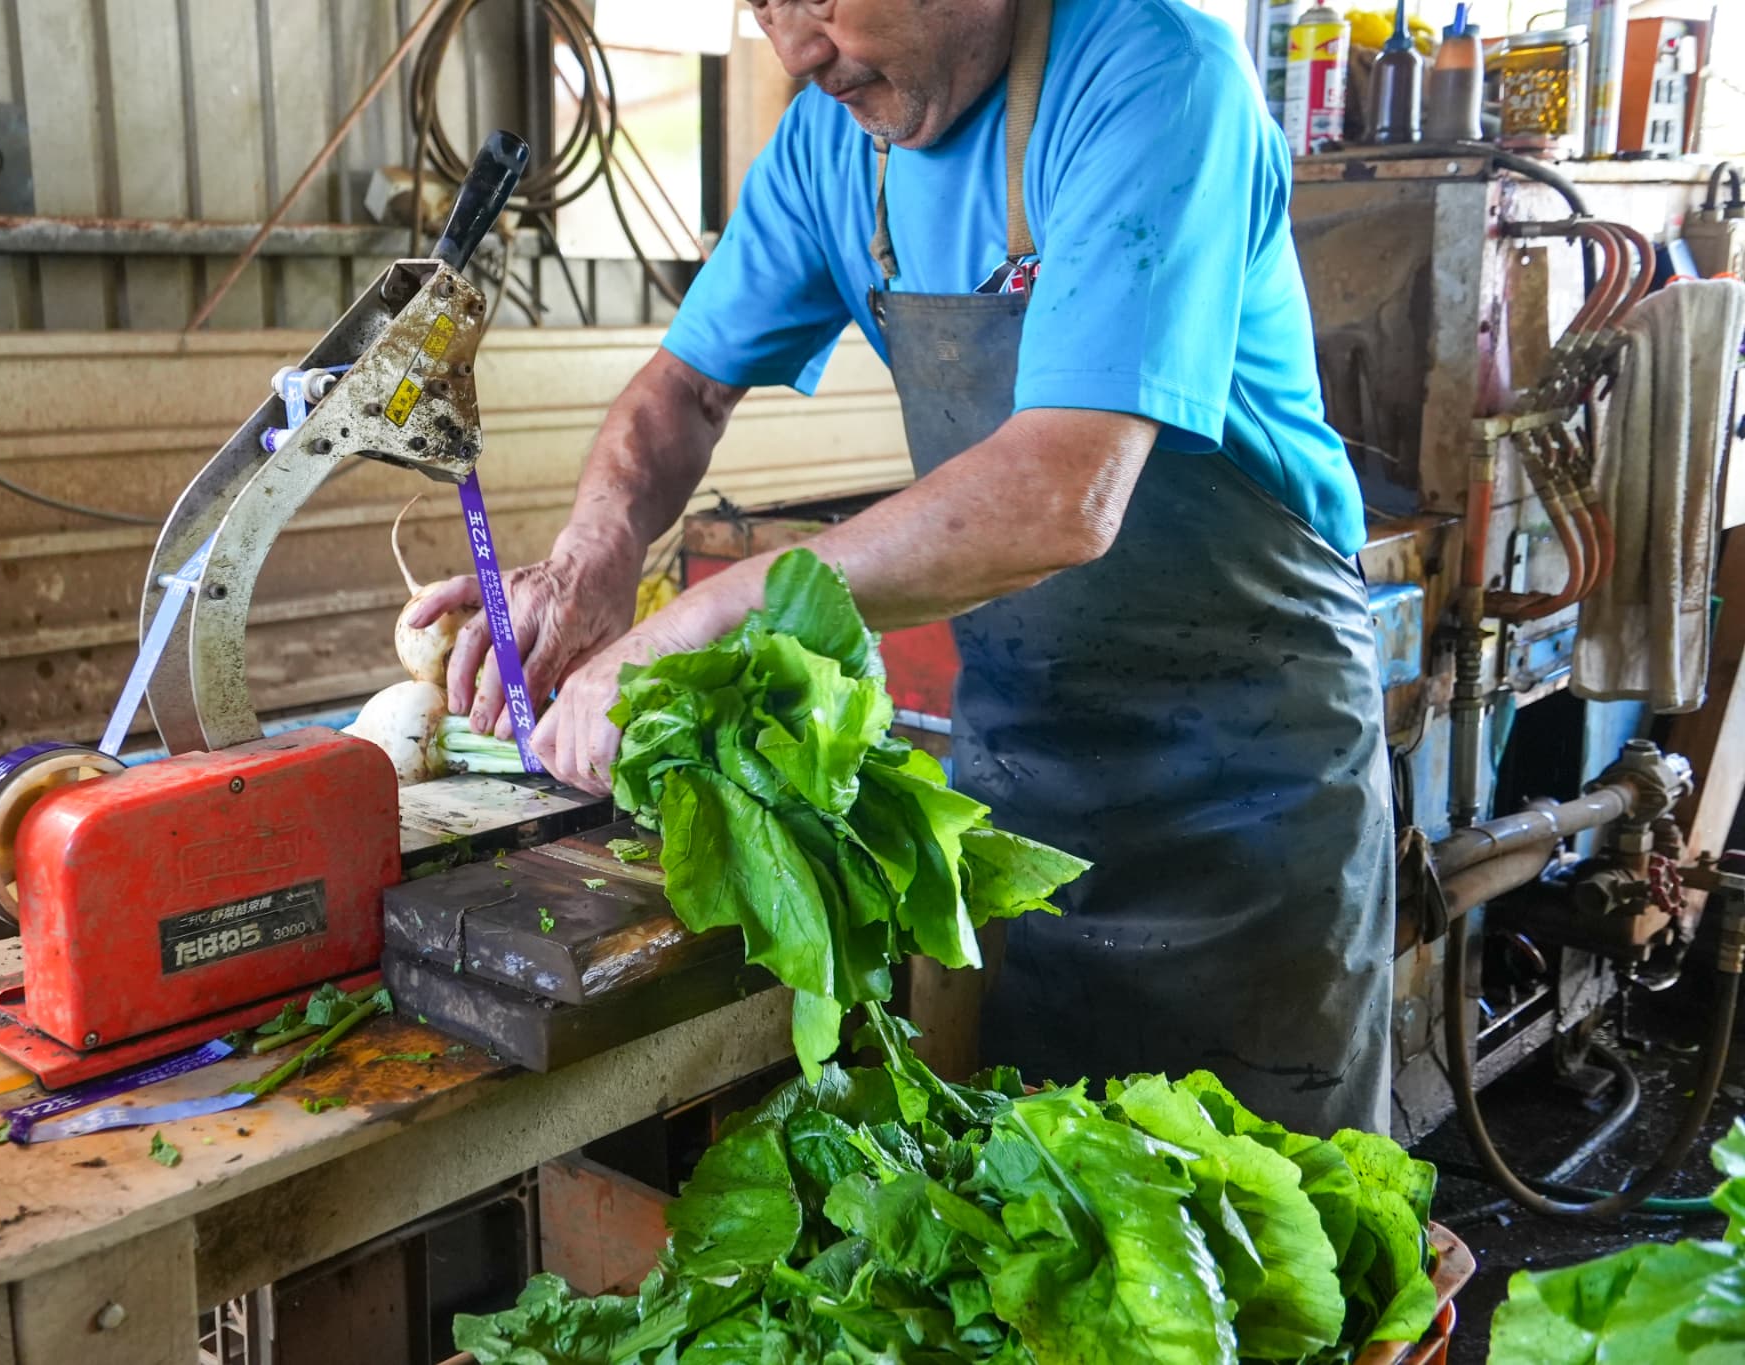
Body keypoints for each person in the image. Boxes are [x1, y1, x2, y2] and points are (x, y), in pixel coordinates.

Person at [409, 0, 1394, 1134]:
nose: (795, 49)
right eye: (763, 4)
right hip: (1019, 775)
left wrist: (702, 617)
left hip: (1244, 796)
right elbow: (683, 390)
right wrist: (590, 557)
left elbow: (1061, 494)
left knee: (1275, 1227)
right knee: (1046, 1208)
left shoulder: (1154, 74)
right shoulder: (833, 141)